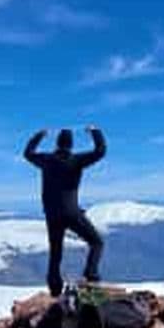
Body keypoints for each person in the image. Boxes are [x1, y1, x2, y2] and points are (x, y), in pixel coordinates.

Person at [24, 125, 107, 297]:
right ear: (71, 145)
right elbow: (100, 151)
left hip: (52, 214)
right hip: (72, 212)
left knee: (55, 252)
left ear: (57, 143)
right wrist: (95, 131)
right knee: (96, 242)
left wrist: (39, 135)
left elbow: (28, 153)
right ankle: (91, 274)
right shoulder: (76, 160)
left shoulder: (46, 160)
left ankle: (55, 289)